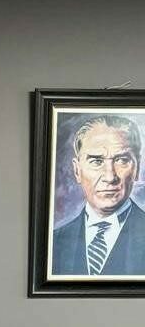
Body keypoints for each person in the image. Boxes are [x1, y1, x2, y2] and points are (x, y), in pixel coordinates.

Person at [51, 114, 145, 276]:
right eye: (96, 161)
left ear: (137, 169)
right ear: (77, 170)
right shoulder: (54, 242)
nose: (110, 177)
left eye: (122, 160)